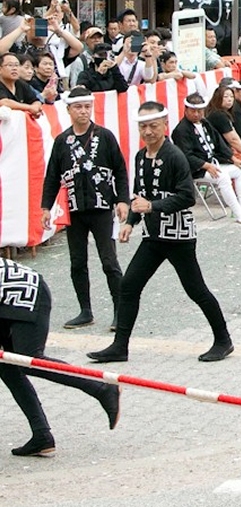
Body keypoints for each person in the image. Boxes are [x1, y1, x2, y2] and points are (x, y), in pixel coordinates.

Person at [88, 101, 233, 364]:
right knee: (129, 286)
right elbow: (139, 195)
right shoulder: (140, 157)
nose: (148, 132)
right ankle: (120, 346)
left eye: (153, 126)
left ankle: (223, 340)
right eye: (143, 126)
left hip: (178, 237)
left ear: (165, 125)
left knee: (196, 289)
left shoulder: (175, 156)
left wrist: (152, 206)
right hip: (153, 236)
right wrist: (130, 222)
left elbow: (187, 197)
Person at [1, 258, 121, 457]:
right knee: (7, 365)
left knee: (30, 360)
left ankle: (102, 388)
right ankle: (42, 436)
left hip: (27, 294)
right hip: (7, 298)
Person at [39, 85, 129, 328]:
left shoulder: (105, 136)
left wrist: (122, 200)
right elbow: (52, 176)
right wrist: (46, 207)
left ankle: (120, 311)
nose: (83, 111)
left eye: (87, 106)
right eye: (78, 107)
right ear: (69, 110)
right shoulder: (62, 141)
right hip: (75, 209)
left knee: (109, 261)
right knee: (77, 262)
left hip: (102, 208)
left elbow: (120, 170)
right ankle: (85, 311)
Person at [173, 91, 241, 225]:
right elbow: (186, 155)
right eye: (193, 111)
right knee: (222, 177)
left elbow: (219, 143)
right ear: (186, 110)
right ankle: (238, 212)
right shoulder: (181, 130)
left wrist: (232, 158)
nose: (196, 114)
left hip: (214, 163)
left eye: (199, 111)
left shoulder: (205, 123)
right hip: (197, 169)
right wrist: (206, 165)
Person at [0, 50, 42, 115]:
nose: (14, 68)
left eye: (17, 65)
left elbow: (35, 100)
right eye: (10, 65)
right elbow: (4, 103)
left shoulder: (20, 83)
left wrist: (36, 108)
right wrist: (29, 108)